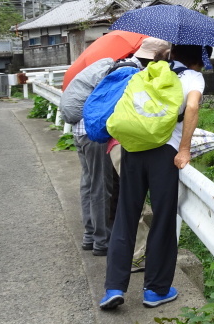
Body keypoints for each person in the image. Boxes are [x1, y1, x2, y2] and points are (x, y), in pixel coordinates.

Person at [100, 44, 211, 310]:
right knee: (163, 218)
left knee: (126, 215)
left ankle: (114, 287)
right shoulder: (193, 77)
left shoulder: (151, 70)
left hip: (133, 148)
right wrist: (184, 149)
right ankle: (156, 290)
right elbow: (192, 107)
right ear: (200, 59)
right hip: (164, 153)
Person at [68, 37, 171, 256]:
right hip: (94, 134)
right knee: (101, 187)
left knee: (88, 183)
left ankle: (90, 235)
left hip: (80, 129)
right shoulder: (132, 74)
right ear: (155, 59)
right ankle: (102, 240)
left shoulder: (117, 66)